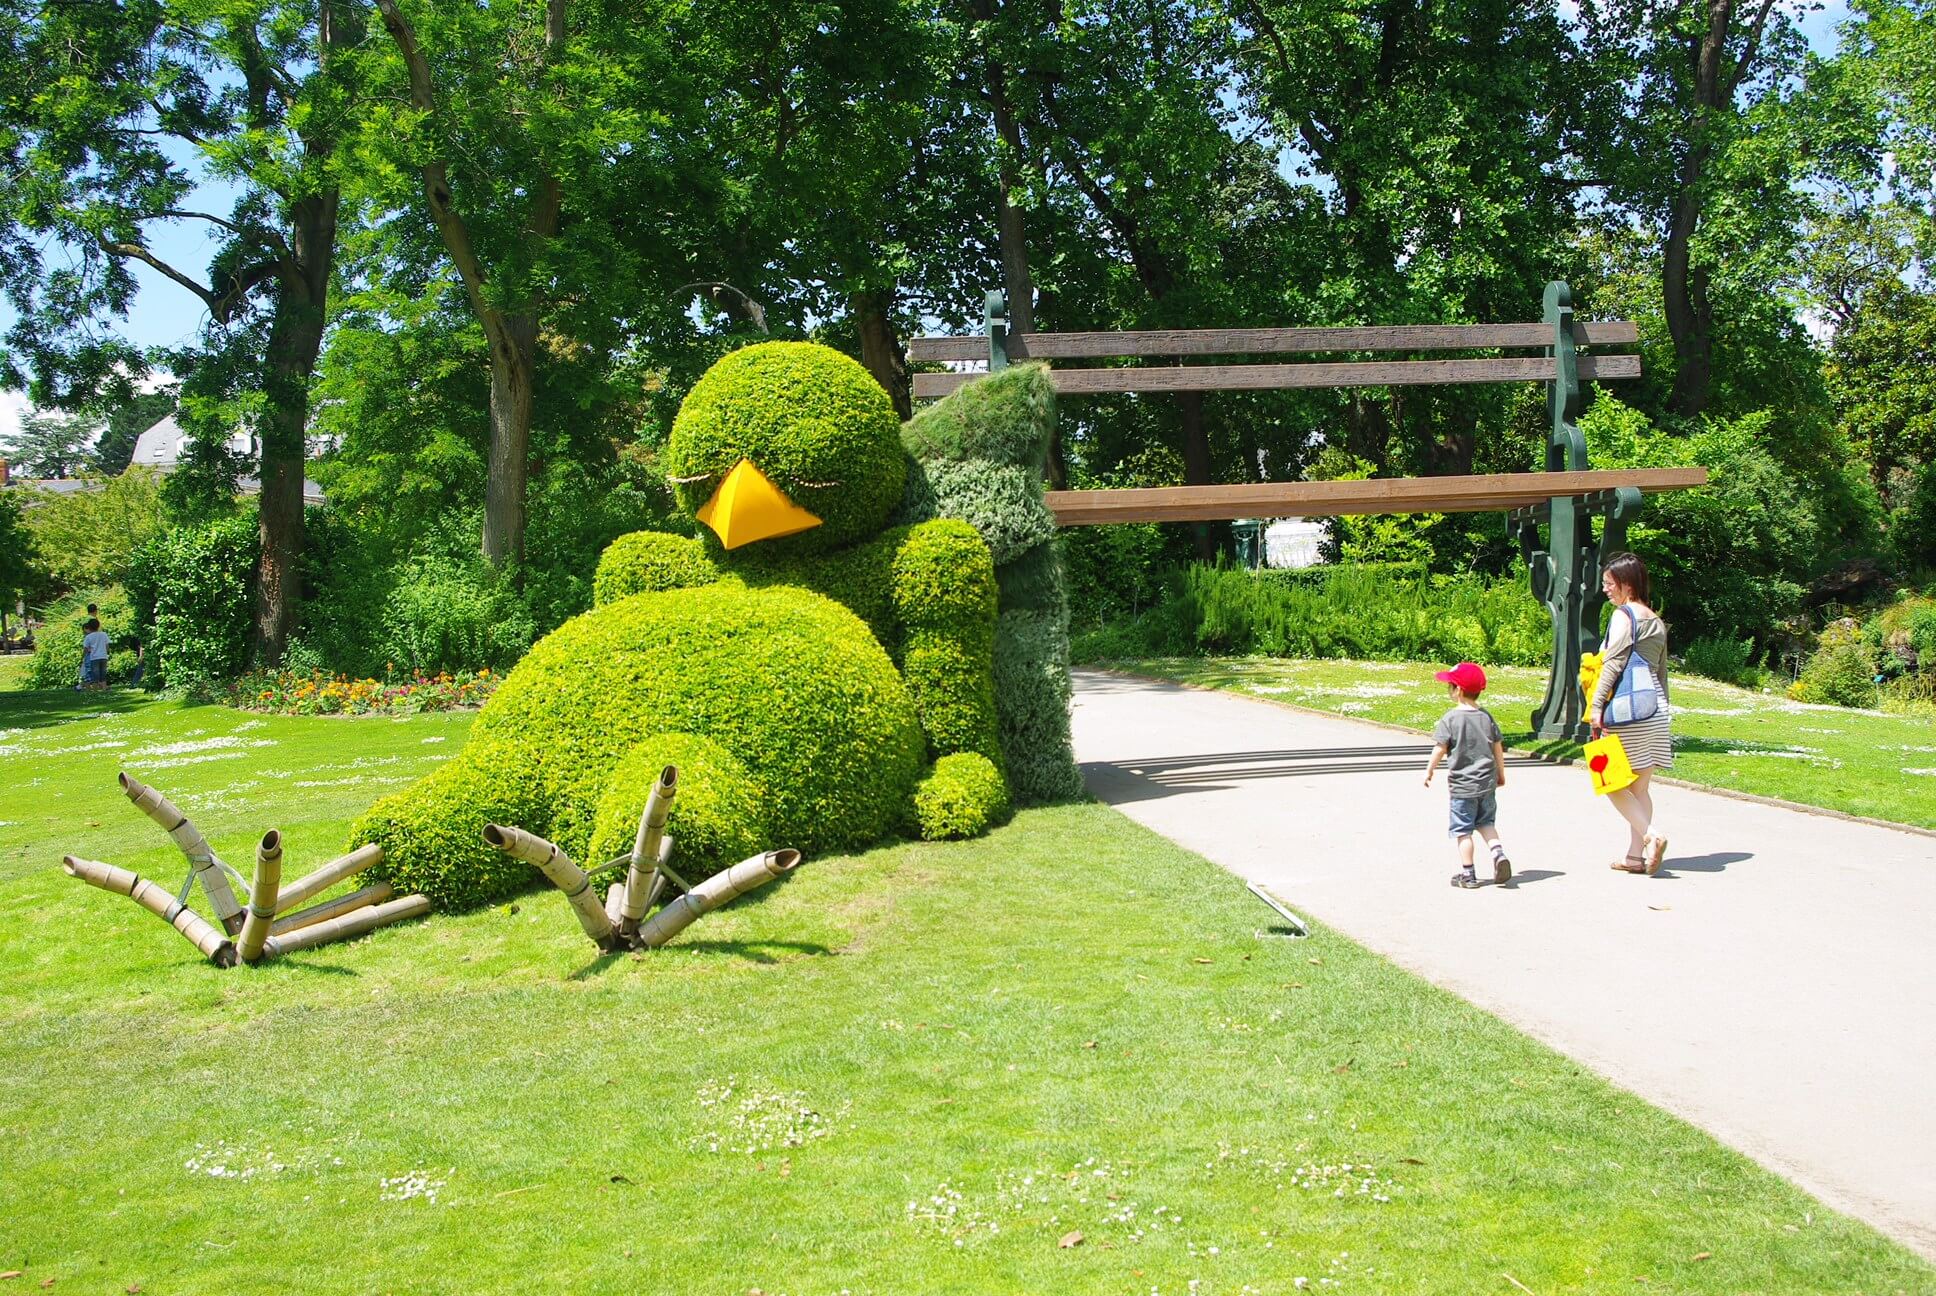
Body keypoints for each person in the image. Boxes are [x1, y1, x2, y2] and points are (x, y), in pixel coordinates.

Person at [1589, 552, 1672, 875]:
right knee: (1639, 787)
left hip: (1626, 710)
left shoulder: (1624, 616)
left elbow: (1614, 663)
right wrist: (1664, 712)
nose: (1606, 590)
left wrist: (1597, 707)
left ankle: (1652, 835)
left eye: (1609, 584)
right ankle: (1635, 857)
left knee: (1609, 780)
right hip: (1654, 709)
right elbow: (1662, 673)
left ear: (1626, 584)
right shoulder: (1655, 619)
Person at [1423, 660, 1512, 889]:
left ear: (1459, 691)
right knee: (1486, 822)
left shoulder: (1450, 719)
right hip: (1487, 784)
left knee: (1463, 831)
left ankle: (1468, 874)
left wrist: (1429, 769)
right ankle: (1498, 853)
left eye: (1450, 686)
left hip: (1463, 788)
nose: (1449, 690)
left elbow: (1440, 747)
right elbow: (1497, 748)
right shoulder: (1486, 717)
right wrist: (1501, 773)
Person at [80, 617, 110, 690]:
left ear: (89, 627)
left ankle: (95, 689)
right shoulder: (104, 634)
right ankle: (104, 688)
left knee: (95, 675)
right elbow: (107, 646)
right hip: (103, 656)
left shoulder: (88, 637)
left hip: (94, 657)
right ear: (98, 626)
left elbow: (85, 649)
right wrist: (106, 652)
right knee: (103, 674)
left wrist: (82, 658)